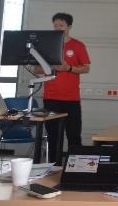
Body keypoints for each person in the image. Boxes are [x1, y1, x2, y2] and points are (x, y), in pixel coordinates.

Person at [36, 12, 91, 163]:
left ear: (69, 27)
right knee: (53, 136)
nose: (58, 28)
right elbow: (36, 69)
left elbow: (86, 68)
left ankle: (77, 167)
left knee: (74, 135)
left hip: (71, 99)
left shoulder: (78, 45)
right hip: (51, 98)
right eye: (55, 26)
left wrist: (68, 68)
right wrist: (51, 67)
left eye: (61, 25)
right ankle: (54, 167)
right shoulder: (47, 45)